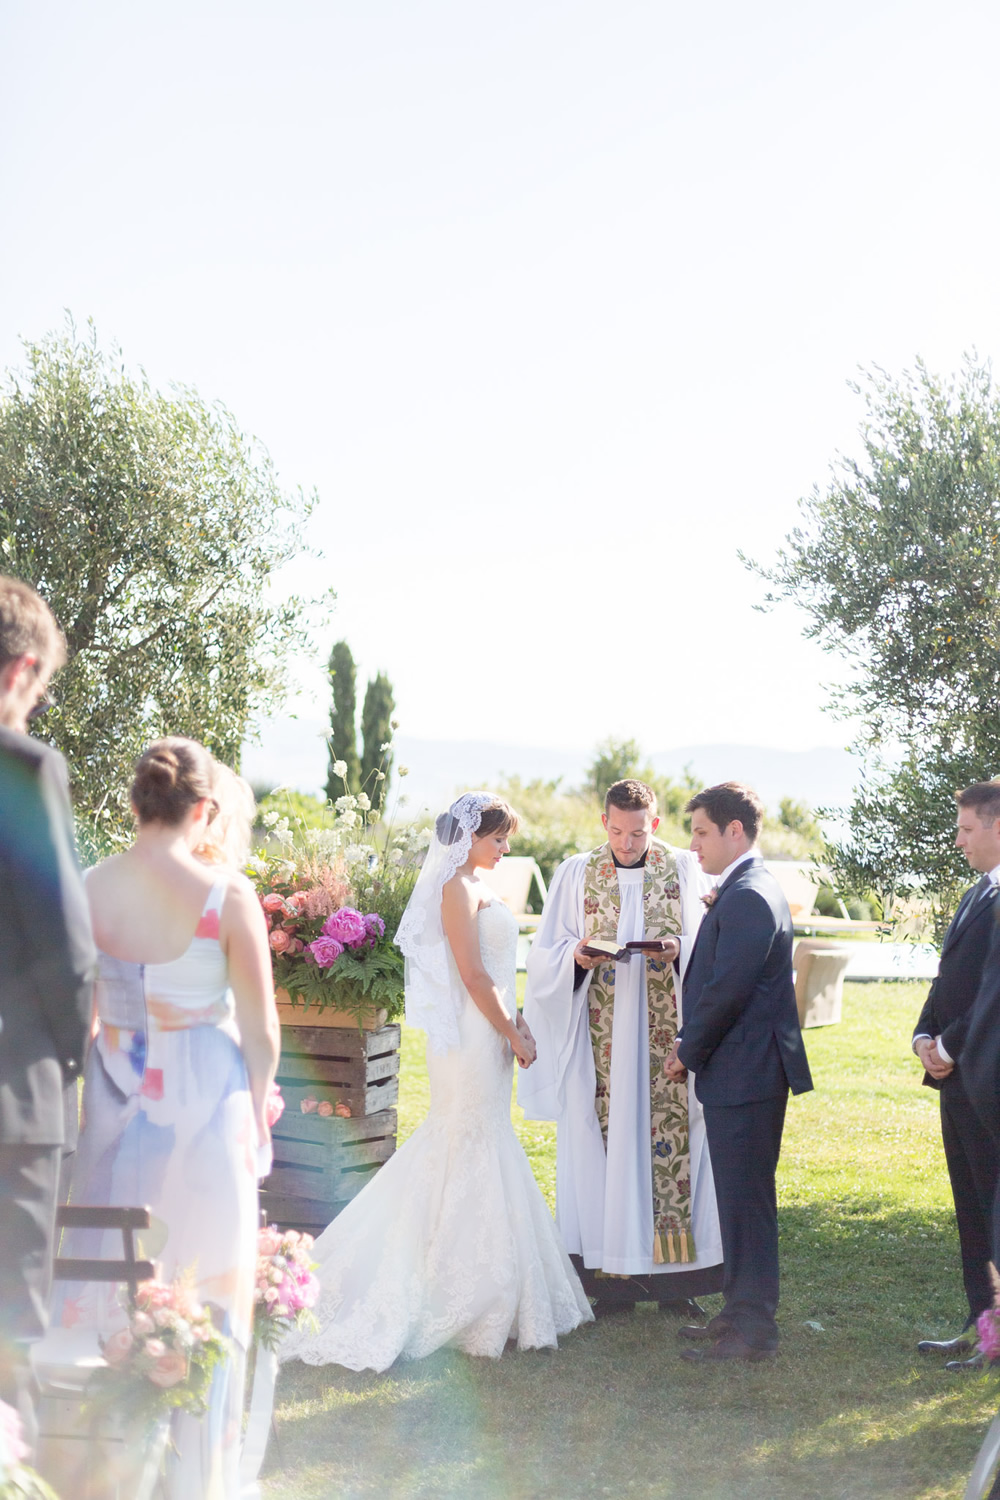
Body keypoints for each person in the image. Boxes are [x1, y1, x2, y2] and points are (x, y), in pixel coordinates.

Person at [278, 792, 593, 1373]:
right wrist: (511, 1033)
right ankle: (453, 1291)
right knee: (463, 1138)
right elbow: (472, 976)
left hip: (491, 1028)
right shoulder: (455, 889)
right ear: (469, 836)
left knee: (483, 1138)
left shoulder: (481, 886)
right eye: (497, 838)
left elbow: (497, 973)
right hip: (472, 1037)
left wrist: (516, 1021)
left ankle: (494, 1287)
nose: (504, 848)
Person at [58, 737, 279, 1498]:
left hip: (117, 1110)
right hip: (208, 1117)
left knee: (116, 1297)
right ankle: (197, 1481)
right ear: (205, 809)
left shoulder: (88, 887)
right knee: (206, 1300)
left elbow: (77, 1014)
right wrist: (260, 1113)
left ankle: (108, 1476)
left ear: (135, 803)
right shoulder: (227, 897)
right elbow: (261, 1034)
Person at [519, 779, 723, 1312]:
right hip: (599, 1035)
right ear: (603, 823)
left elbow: (709, 941)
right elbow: (545, 954)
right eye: (616, 831)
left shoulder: (681, 868)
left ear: (653, 824)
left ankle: (674, 1285)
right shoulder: (577, 872)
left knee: (671, 1147)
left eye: (637, 832)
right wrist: (578, 957)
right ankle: (611, 1283)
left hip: (667, 1037)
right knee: (600, 1147)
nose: (627, 843)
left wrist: (679, 948)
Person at [669, 781, 812, 1362]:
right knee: (737, 1200)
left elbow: (728, 988)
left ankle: (752, 1331)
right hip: (743, 1069)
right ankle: (735, 1313)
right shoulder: (744, 887)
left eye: (702, 831)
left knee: (747, 1203)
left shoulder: (750, 893)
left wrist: (686, 1048)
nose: (695, 844)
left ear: (735, 831)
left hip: (748, 1071)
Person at [0, 577, 96, 1442]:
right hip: (10, 1096)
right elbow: (64, 945)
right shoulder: (23, 768)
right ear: (20, 671)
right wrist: (71, 1056)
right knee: (9, 1329)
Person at [910, 782, 1000, 1371]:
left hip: (989, 1078)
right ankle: (981, 1326)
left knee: (995, 1209)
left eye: (968, 828)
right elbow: (951, 981)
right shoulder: (978, 892)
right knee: (970, 1209)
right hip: (956, 1079)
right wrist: (923, 1035)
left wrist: (950, 1044)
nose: (959, 839)